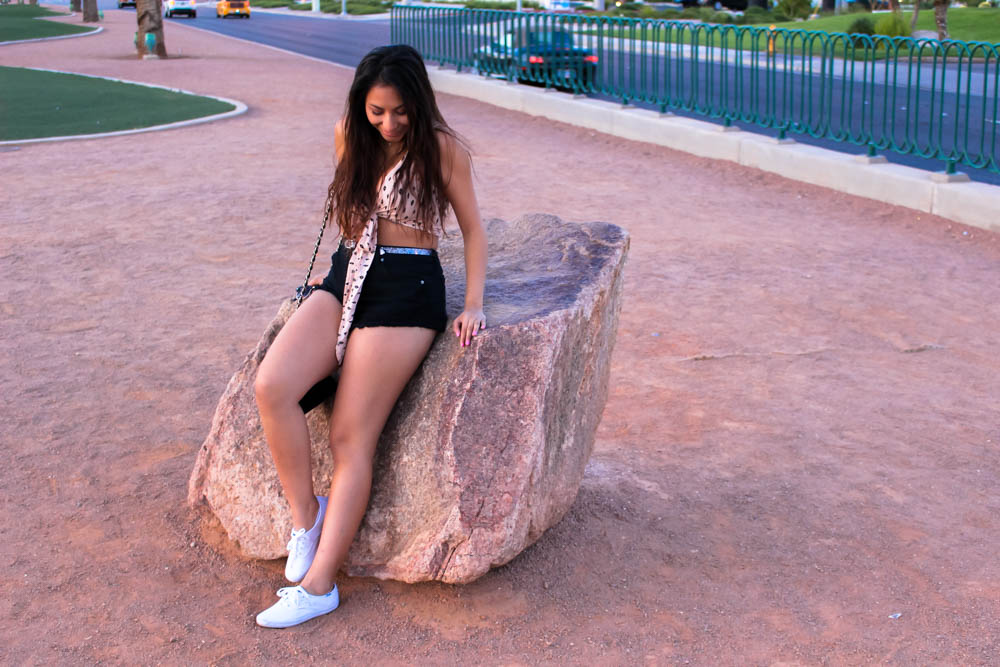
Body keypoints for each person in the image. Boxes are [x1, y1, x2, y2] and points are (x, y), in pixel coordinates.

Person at [252, 44, 487, 629]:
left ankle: (319, 586)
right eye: (377, 111)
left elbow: (473, 231)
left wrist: (473, 306)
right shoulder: (348, 134)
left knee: (350, 437)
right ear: (361, 104)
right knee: (272, 386)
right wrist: (331, 273)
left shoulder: (443, 150)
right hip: (348, 273)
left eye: (400, 111)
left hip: (407, 288)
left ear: (419, 103)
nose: (389, 123)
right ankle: (307, 518)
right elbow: (352, 219)